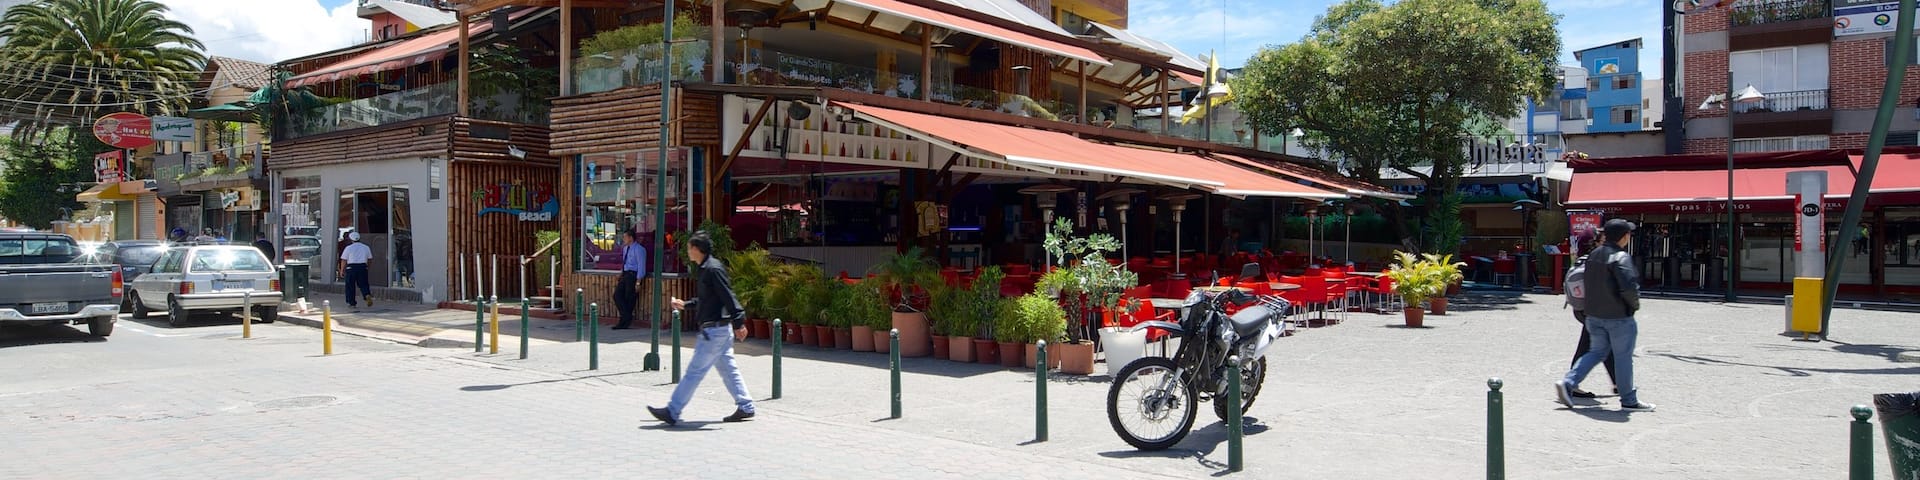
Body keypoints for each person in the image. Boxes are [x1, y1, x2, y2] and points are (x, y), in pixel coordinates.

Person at [648, 232, 754, 426]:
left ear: (697, 249)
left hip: (714, 331)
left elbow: (727, 296)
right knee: (729, 370)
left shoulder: (712, 269)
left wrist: (739, 321)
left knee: (694, 372)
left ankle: (673, 411)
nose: (688, 252)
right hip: (718, 330)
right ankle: (746, 405)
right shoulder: (706, 269)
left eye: (689, 248)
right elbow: (708, 300)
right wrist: (686, 304)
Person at [1556, 219, 1652, 412]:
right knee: (1623, 357)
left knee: (1596, 352)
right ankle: (1629, 400)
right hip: (1618, 317)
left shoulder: (1593, 255)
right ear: (1624, 237)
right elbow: (1628, 289)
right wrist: (1633, 307)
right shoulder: (1620, 257)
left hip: (1593, 316)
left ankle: (1568, 382)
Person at [1561, 253, 1617, 398]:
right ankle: (1569, 383)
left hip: (1579, 308)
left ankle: (1618, 383)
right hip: (1594, 311)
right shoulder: (1603, 259)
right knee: (1598, 346)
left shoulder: (1584, 259)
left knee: (1592, 345)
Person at [612, 230, 647, 330]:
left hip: (633, 275)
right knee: (617, 295)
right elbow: (625, 262)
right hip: (626, 274)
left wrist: (638, 281)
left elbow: (641, 266)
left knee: (629, 298)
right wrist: (621, 272)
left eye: (625, 237)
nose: (623, 239)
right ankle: (627, 317)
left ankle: (624, 322)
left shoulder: (639, 249)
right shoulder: (625, 249)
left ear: (631, 238)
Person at [338, 232, 374, 311]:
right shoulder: (365, 247)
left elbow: (344, 260)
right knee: (364, 284)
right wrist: (367, 267)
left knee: (350, 285)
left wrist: (341, 270)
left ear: (351, 239)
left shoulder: (349, 248)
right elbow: (370, 259)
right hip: (362, 267)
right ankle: (366, 295)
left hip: (351, 267)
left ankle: (352, 303)